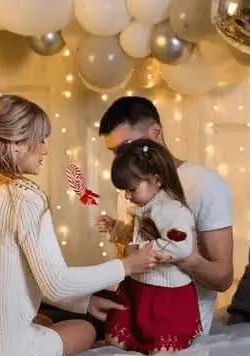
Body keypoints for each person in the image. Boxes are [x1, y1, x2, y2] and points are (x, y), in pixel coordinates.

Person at [0, 95, 158, 356]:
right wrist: (126, 265)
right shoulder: (23, 196)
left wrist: (85, 303)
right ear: (16, 144)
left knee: (45, 319)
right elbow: (56, 283)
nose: (44, 150)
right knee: (85, 329)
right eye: (40, 141)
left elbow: (29, 280)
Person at [98, 96, 234, 335]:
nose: (120, 158)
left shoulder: (205, 184)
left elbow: (223, 278)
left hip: (178, 315)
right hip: (139, 301)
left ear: (156, 132)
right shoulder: (132, 189)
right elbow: (132, 253)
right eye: (114, 152)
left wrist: (184, 257)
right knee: (72, 307)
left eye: (125, 146)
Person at [98, 139, 201, 354]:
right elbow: (135, 235)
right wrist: (116, 228)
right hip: (137, 286)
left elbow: (180, 246)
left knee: (160, 350)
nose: (127, 196)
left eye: (131, 189)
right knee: (115, 340)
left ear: (156, 179)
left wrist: (138, 252)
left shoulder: (172, 210)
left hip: (165, 294)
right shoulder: (146, 207)